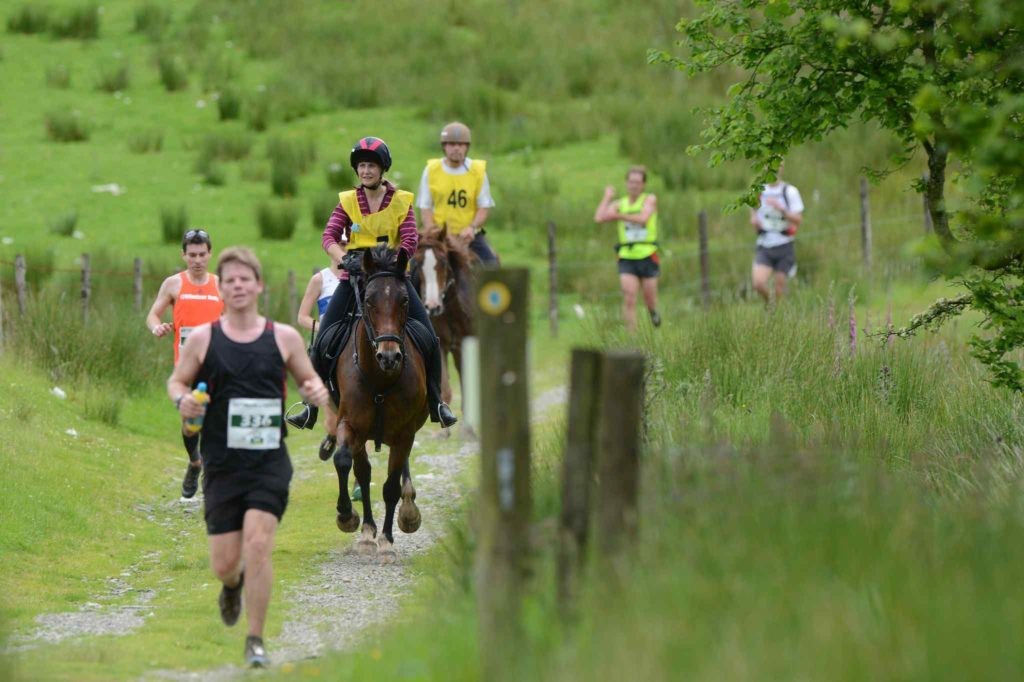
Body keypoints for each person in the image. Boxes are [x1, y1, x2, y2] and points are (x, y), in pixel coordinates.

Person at [168, 246, 329, 668]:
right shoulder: (204, 339)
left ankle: (255, 639)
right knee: (225, 563)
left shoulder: (284, 337)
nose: (238, 286)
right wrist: (183, 400)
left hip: (268, 462)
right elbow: (177, 382)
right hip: (222, 463)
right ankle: (232, 583)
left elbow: (309, 380)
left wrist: (314, 391)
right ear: (222, 289)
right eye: (230, 280)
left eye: (245, 279)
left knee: (258, 545)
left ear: (259, 286)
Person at [303, 135, 456, 431]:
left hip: (393, 279)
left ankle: (437, 402)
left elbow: (410, 239)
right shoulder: (347, 202)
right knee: (322, 340)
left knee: (428, 337)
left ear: (382, 169)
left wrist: (394, 262)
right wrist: (344, 259)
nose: (365, 171)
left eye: (371, 166)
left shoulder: (401, 201)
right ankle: (310, 407)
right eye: (361, 166)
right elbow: (329, 236)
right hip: (355, 278)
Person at [146, 229, 224, 499]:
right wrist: (157, 327)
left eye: (202, 254)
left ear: (210, 254)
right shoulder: (173, 284)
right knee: (191, 422)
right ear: (183, 255)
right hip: (186, 367)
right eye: (192, 255)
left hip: (216, 363)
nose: (197, 260)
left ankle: (212, 473)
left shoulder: (220, 285)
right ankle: (195, 462)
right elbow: (153, 315)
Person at [417, 121, 498, 264]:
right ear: (444, 146)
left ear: (467, 147)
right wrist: (433, 232)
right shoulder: (431, 170)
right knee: (414, 265)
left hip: (469, 235)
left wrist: (471, 228)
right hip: (439, 235)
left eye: (461, 144)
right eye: (452, 144)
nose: (456, 148)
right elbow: (425, 207)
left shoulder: (477, 171)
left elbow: (484, 207)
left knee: (491, 264)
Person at [593, 166, 662, 332]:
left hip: (647, 254)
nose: (634, 186)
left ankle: (653, 312)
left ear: (643, 184)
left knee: (649, 299)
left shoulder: (649, 200)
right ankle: (633, 337)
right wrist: (607, 197)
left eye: (637, 182)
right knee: (629, 297)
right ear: (626, 183)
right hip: (626, 256)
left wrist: (618, 216)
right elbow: (599, 218)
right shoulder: (620, 203)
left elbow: (643, 219)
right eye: (631, 182)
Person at [750, 160, 804, 303]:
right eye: (770, 166)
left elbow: (798, 219)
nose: (774, 169)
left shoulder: (790, 191)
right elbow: (752, 207)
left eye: (777, 166)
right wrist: (754, 219)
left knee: (780, 289)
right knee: (758, 283)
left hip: (784, 244)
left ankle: (775, 311)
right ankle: (771, 305)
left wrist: (782, 209)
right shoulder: (758, 190)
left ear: (782, 168)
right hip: (765, 244)